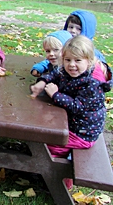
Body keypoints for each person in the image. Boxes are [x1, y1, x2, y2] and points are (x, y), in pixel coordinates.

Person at [30, 36, 110, 188]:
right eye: (67, 60)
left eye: (78, 61)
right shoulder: (67, 71)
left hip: (83, 133)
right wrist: (43, 81)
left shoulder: (92, 84)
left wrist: (55, 95)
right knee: (41, 134)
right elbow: (55, 74)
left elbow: (78, 107)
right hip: (71, 123)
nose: (72, 65)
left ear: (89, 60)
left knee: (46, 144)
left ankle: (61, 180)